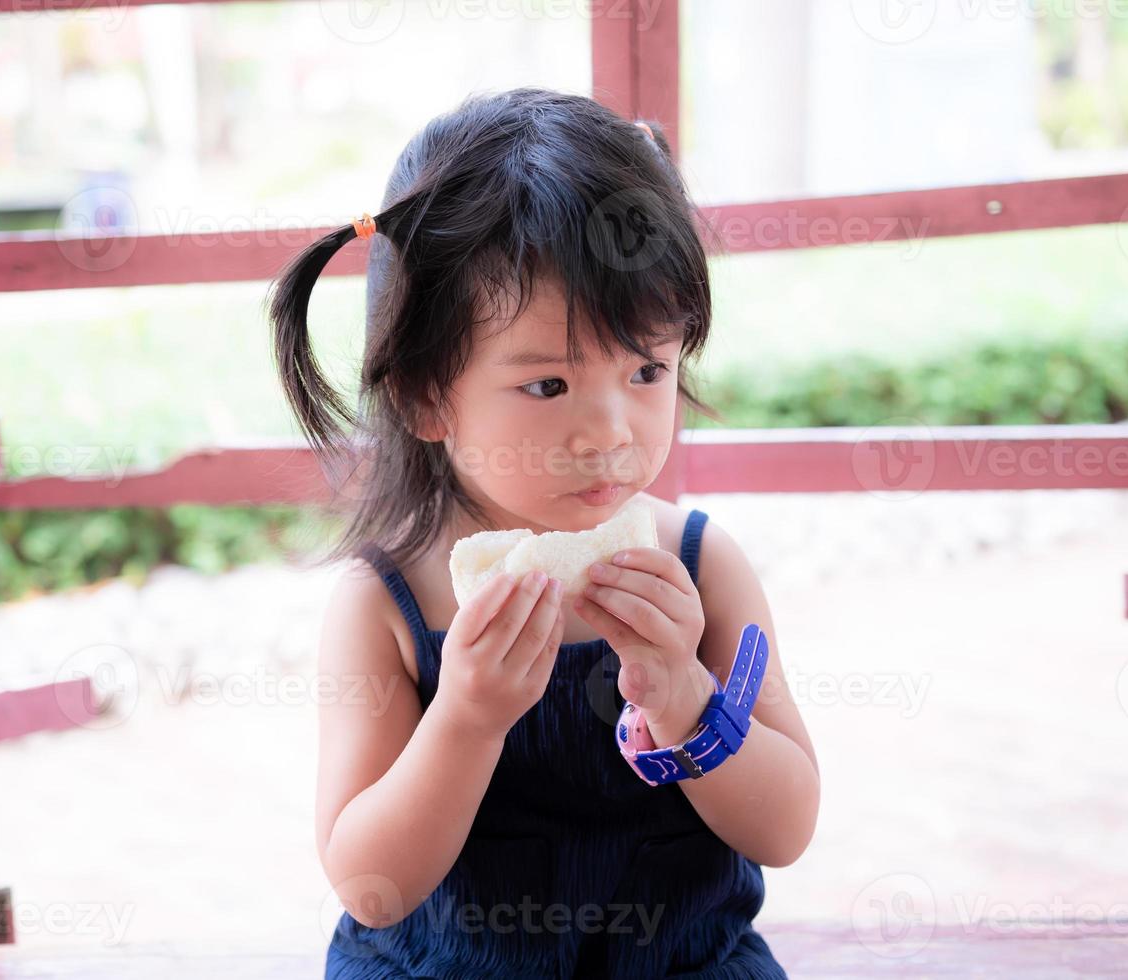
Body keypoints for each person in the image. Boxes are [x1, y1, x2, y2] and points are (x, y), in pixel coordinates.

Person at [267, 87, 820, 979]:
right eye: (548, 386)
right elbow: (371, 887)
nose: (609, 431)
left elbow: (786, 827)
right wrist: (467, 719)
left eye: (646, 369)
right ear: (423, 395)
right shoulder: (387, 604)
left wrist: (683, 694)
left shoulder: (701, 565)